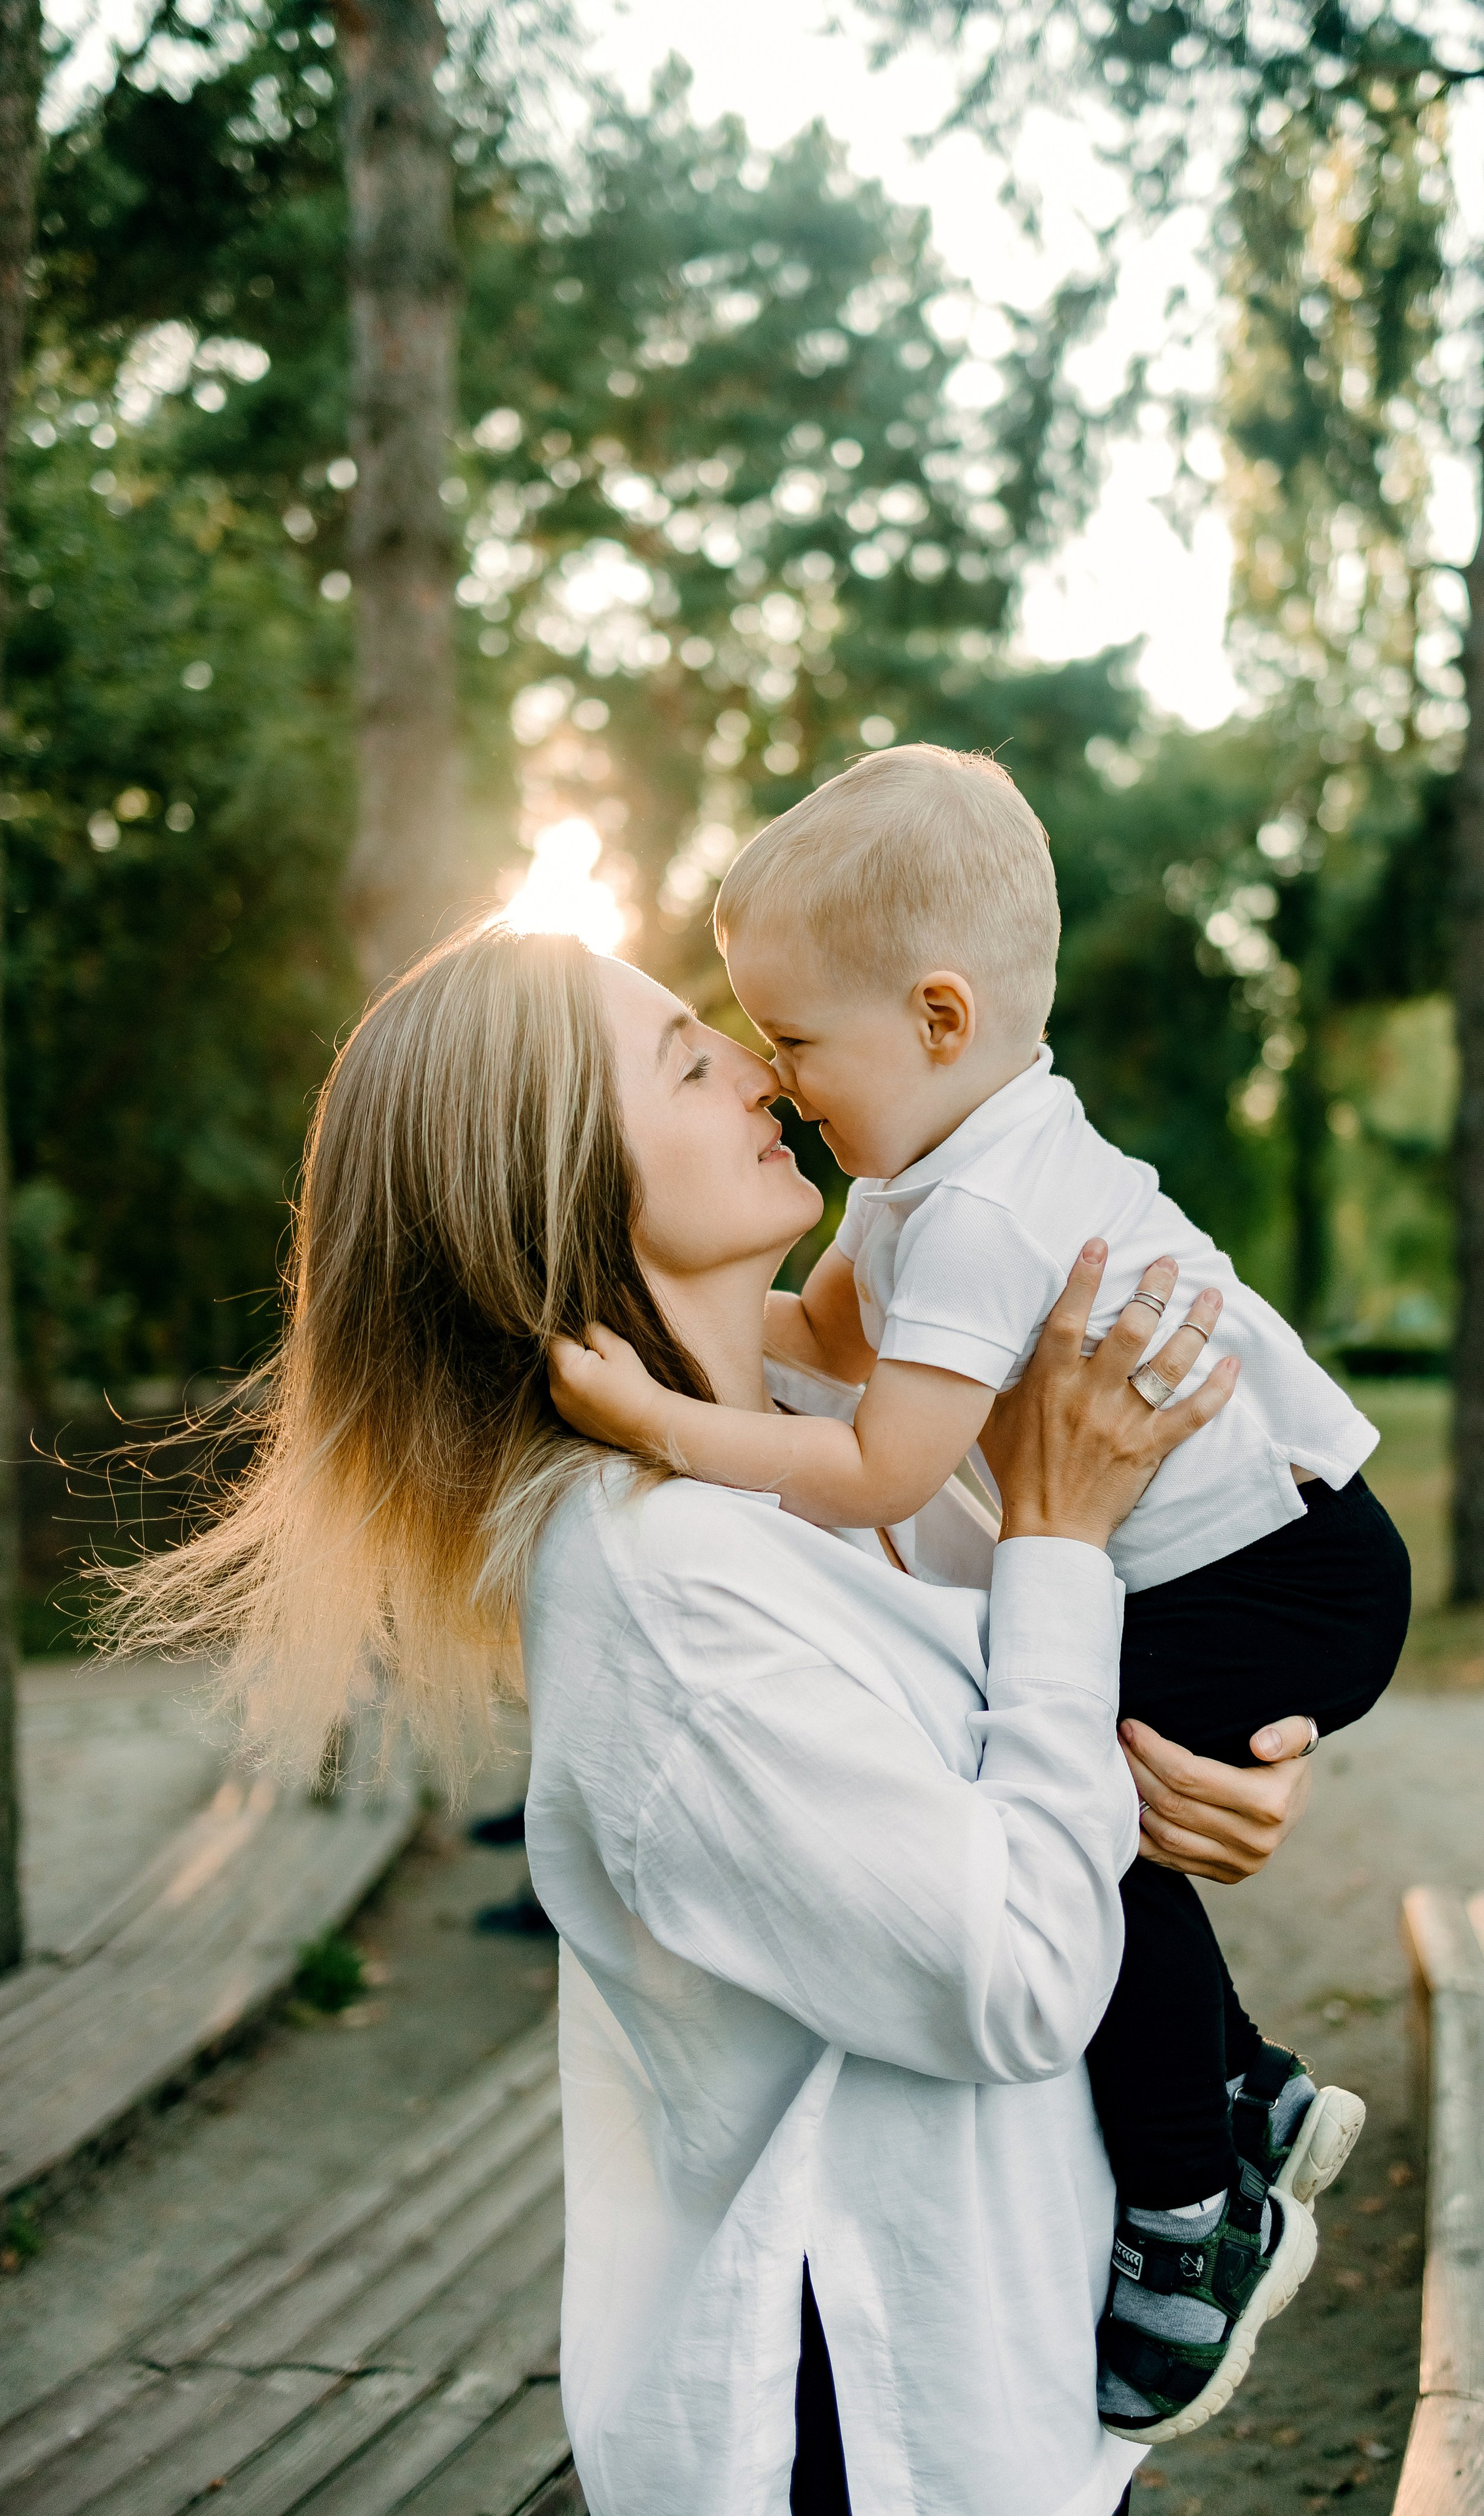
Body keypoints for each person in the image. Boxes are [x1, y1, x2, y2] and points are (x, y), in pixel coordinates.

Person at [99, 924, 1319, 2516]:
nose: (760, 1068)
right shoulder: (659, 1580)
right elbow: (1013, 1978)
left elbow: (1030, 1773)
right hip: (866, 2426)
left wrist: (1196, 1771)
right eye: (688, 1058)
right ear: (555, 1197)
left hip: (1013, 2382)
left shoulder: (826, 1447)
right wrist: (1055, 1540)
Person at [550, 745, 1411, 2440]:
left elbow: (882, 1468)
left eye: (784, 1040)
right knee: (1096, 1765)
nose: (766, 1077)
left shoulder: (980, 1211)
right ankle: (1232, 2109)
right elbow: (827, 1356)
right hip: (888, 2387)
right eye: (712, 1049)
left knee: (1101, 1759)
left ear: (939, 1021)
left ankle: (1192, 2177)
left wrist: (667, 1411)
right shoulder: (914, 1186)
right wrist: (692, 1401)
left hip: (1286, 1568)